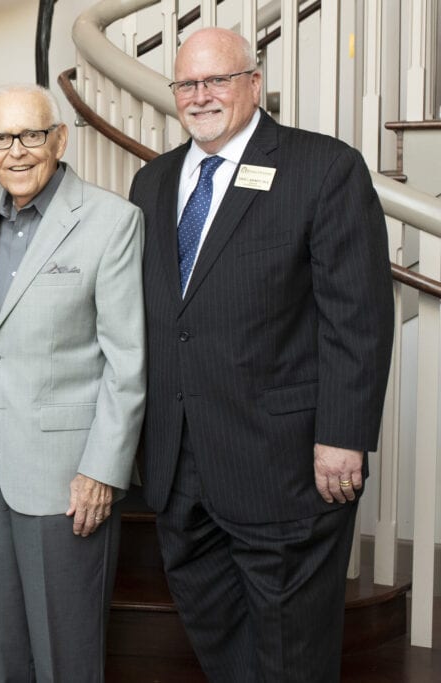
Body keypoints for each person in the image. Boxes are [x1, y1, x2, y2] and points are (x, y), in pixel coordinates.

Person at [129, 27, 393, 683]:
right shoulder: (152, 182)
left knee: (291, 651)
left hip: (284, 464)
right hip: (179, 463)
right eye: (187, 83)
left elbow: (357, 316)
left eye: (217, 79)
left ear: (254, 82)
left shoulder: (324, 169)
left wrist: (344, 435)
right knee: (220, 636)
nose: (201, 96)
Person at [0, 83, 145, 681]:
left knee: (66, 656)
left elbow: (127, 361)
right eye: (0, 138)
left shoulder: (112, 220)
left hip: (69, 477)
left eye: (31, 135)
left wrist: (102, 470)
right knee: (5, 653)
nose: (16, 152)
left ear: (59, 139)